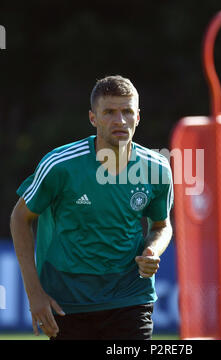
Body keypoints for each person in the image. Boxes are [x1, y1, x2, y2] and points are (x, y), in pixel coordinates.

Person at [10, 75, 174, 340]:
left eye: (127, 112)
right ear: (92, 118)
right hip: (68, 303)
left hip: (130, 298)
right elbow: (20, 218)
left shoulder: (157, 168)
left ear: (138, 117)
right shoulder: (60, 165)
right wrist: (34, 294)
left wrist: (153, 249)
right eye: (109, 112)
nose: (120, 120)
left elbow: (161, 225)